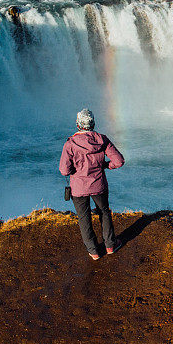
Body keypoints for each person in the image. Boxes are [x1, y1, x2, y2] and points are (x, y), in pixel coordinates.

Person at [59, 108, 125, 261]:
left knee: (84, 217)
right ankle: (110, 246)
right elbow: (119, 161)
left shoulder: (70, 144)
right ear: (93, 123)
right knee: (104, 212)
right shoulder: (102, 139)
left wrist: (76, 169)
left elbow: (64, 170)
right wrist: (105, 166)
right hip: (98, 185)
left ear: (78, 125)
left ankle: (94, 251)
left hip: (78, 188)